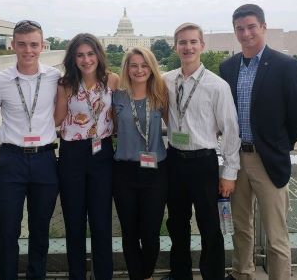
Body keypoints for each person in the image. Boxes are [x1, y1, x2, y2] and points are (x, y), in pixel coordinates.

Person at [220, 4, 297, 280]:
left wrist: (281, 144)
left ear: (263, 27)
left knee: (275, 234)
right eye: (240, 28)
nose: (246, 34)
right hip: (236, 160)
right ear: (235, 31)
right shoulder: (229, 66)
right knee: (241, 227)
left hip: (268, 159)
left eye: (251, 27)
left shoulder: (285, 65)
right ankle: (242, 273)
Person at [161, 22, 241, 280]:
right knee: (176, 224)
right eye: (182, 42)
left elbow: (230, 131)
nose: (188, 47)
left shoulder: (217, 86)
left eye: (193, 42)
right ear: (175, 47)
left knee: (209, 226)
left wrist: (230, 172)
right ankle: (180, 274)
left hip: (203, 162)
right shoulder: (166, 81)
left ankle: (213, 275)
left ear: (202, 46)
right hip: (174, 159)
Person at [0, 20, 60, 280]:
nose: (28, 50)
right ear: (13, 45)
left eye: (33, 44)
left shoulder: (55, 77)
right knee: (8, 229)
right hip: (11, 160)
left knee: (40, 229)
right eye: (22, 44)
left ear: (42, 46)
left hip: (45, 160)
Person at [54, 33, 119, 280]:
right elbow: (58, 120)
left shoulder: (111, 80)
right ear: (73, 58)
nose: (86, 59)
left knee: (102, 222)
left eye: (90, 54)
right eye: (80, 55)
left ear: (98, 55)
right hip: (72, 155)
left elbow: (118, 116)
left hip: (102, 152)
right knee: (75, 222)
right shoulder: (66, 84)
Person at [112, 47, 168, 280]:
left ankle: (146, 274)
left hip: (156, 171)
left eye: (144, 65)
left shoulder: (161, 95)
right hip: (124, 171)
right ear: (127, 68)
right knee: (129, 232)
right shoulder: (117, 97)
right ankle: (136, 275)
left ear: (151, 68)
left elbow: (179, 124)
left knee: (151, 232)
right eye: (134, 65)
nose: (139, 70)